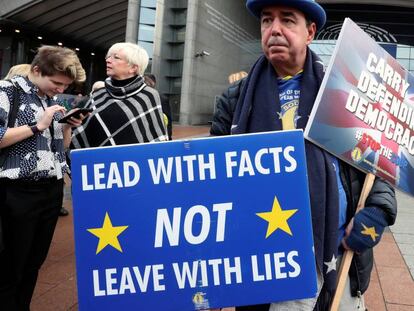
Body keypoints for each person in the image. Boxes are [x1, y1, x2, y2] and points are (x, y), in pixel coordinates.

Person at [210, 1, 397, 310]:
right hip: (262, 261)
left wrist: (377, 212)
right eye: (267, 21)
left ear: (310, 31)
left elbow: (378, 161)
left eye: (287, 20)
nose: (275, 29)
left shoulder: (345, 92)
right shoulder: (235, 99)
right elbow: (212, 177)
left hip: (337, 255)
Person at [0, 45, 86, 310]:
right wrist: (38, 125)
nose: (61, 90)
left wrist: (67, 127)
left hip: (51, 189)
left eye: (65, 85)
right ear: (36, 70)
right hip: (17, 189)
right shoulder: (7, 91)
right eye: (56, 83)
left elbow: (59, 146)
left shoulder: (51, 99)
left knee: (34, 261)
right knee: (11, 263)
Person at [71, 42, 167, 148]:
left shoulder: (149, 96)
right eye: (108, 57)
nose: (108, 60)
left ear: (133, 68)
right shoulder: (97, 96)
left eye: (116, 58)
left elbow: (156, 139)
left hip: (135, 161)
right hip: (99, 161)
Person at [144, 73, 173, 140]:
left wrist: (168, 137)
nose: (146, 84)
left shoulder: (162, 99)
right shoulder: (139, 97)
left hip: (157, 135)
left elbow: (167, 121)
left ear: (153, 83)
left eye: (148, 82)